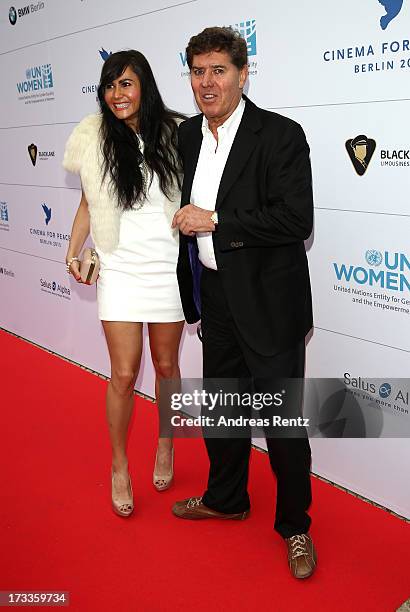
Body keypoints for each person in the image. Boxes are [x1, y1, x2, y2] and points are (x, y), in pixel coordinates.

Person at [171, 27, 317, 579]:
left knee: (282, 423)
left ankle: (296, 527)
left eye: (218, 71)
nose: (207, 83)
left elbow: (295, 220)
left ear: (242, 73)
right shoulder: (187, 135)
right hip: (218, 296)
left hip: (270, 301)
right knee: (223, 409)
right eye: (198, 71)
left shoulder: (280, 135)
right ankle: (226, 497)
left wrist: (216, 220)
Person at [63, 50, 185, 517]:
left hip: (167, 265)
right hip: (118, 266)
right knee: (124, 374)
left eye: (127, 84)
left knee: (168, 365)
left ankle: (166, 443)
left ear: (144, 86)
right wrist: (72, 251)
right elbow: (88, 205)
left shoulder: (174, 132)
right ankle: (119, 467)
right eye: (111, 85)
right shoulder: (94, 138)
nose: (118, 94)